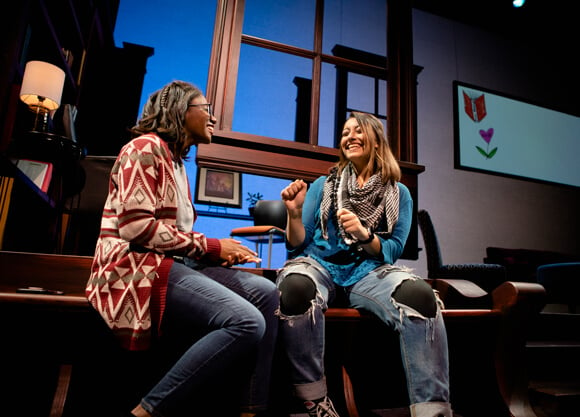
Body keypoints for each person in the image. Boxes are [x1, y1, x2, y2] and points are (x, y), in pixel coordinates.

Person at [86, 80, 279, 417]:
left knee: (266, 292)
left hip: (170, 262)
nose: (213, 118)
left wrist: (220, 251)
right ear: (180, 110)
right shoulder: (144, 148)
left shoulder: (177, 163)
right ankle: (146, 411)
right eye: (205, 108)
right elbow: (137, 227)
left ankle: (252, 408)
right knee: (246, 321)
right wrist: (213, 246)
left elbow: (174, 234)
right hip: (135, 265)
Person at [275, 112, 452, 417]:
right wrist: (293, 213)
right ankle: (312, 402)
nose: (350, 136)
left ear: (376, 140)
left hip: (369, 273)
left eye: (359, 131)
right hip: (320, 267)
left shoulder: (398, 192)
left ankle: (432, 410)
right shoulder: (323, 185)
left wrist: (364, 234)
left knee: (419, 297)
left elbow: (393, 250)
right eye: (345, 132)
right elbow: (297, 244)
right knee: (295, 288)